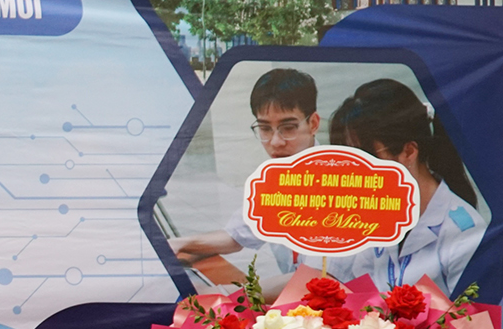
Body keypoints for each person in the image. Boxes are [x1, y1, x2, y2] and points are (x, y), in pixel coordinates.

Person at [326, 79, 487, 294]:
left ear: (409, 152)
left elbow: (476, 312)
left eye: (364, 159)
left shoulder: (466, 232)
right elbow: (337, 283)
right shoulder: (367, 218)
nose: (354, 174)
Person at [170, 68, 320, 269]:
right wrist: (179, 244)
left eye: (288, 128)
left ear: (313, 124)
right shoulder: (275, 178)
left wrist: (229, 289)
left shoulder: (339, 181)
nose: (275, 142)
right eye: (265, 128)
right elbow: (236, 235)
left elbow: (318, 276)